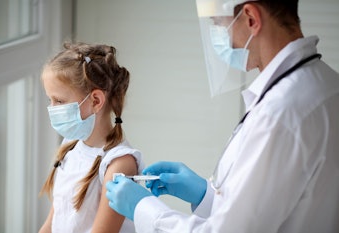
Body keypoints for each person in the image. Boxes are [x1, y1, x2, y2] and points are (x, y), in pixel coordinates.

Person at [106, 0, 339, 232]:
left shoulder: (280, 113)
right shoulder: (327, 84)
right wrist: (206, 195)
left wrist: (144, 209)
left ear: (251, 19)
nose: (218, 36)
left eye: (218, 24)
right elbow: (267, 208)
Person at [39, 42, 144, 233]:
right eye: (50, 100)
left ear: (95, 101)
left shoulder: (119, 164)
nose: (52, 109)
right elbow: (52, 222)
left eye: (59, 101)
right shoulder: (70, 146)